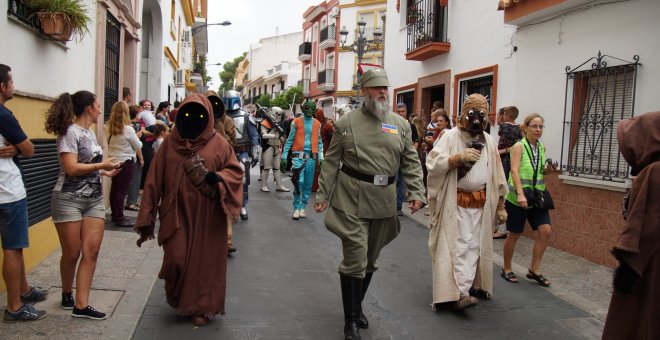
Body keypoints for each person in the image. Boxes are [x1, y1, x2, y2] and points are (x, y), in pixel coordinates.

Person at [314, 68, 425, 340]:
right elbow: (331, 161)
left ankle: (356, 305)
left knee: (371, 260)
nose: (382, 93)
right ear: (365, 91)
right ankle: (350, 321)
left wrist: (416, 191)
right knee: (355, 257)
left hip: (384, 201)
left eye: (385, 88)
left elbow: (410, 161)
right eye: (376, 89)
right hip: (351, 198)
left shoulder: (399, 125)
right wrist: (322, 194)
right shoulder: (346, 124)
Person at [134, 94, 243, 326]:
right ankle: (178, 295)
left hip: (208, 216)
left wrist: (219, 177)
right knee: (176, 259)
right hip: (176, 213)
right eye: (187, 113)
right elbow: (153, 180)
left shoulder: (219, 143)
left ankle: (201, 307)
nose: (192, 118)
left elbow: (235, 172)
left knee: (205, 263)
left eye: (199, 114)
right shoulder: (170, 145)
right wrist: (147, 215)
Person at [426, 94, 508, 311]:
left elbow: (498, 175)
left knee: (473, 247)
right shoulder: (450, 137)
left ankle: (464, 288)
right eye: (472, 115)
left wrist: (500, 205)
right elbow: (432, 162)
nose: (476, 120)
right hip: (456, 204)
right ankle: (457, 293)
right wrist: (456, 159)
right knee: (457, 246)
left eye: (481, 115)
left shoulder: (489, 142)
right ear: (463, 115)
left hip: (481, 206)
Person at [44, 90, 121, 320]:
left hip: (94, 200)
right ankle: (67, 292)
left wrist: (106, 170)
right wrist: (101, 166)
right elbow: (71, 168)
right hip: (68, 199)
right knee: (72, 253)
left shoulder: (89, 133)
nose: (100, 109)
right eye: (98, 105)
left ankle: (81, 304)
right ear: (89, 107)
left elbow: (89, 167)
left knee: (91, 251)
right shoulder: (69, 132)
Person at [602, 111, 660, 340]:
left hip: (649, 266)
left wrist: (627, 270)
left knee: (637, 321)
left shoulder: (654, 172)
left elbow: (643, 228)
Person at [0, 64, 48, 322]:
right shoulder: (4, 115)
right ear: (2, 86)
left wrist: (15, 149)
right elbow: (30, 149)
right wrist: (19, 150)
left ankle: (24, 290)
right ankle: (14, 307)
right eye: (11, 82)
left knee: (13, 247)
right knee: (13, 248)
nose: (13, 86)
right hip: (8, 191)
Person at [501, 113, 553, 287]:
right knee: (514, 234)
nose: (538, 130)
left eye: (541, 127)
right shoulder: (519, 147)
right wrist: (520, 193)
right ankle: (506, 268)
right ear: (526, 127)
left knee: (545, 230)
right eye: (534, 126)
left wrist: (547, 171)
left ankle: (534, 269)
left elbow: (538, 171)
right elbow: (514, 171)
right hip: (518, 198)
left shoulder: (541, 148)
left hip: (537, 197)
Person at [206, 90, 238, 254]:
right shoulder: (200, 119)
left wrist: (218, 125)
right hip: (204, 169)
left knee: (225, 203)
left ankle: (227, 239)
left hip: (222, 170)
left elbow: (231, 145)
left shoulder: (227, 121)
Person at [282, 99, 323, 220]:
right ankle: (296, 208)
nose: (310, 110)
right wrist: (284, 156)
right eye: (307, 107)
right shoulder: (296, 122)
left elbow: (320, 143)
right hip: (297, 156)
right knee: (298, 182)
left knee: (308, 184)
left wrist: (321, 157)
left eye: (312, 107)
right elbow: (289, 140)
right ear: (303, 108)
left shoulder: (317, 123)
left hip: (312, 157)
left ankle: (302, 207)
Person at [106, 101, 144, 228]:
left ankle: (115, 214)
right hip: (126, 161)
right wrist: (138, 135)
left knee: (115, 189)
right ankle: (119, 218)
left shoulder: (108, 126)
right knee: (121, 191)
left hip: (113, 160)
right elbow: (138, 145)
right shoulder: (128, 129)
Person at [224, 90, 259, 220]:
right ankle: (227, 204)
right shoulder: (220, 116)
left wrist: (255, 154)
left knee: (243, 181)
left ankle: (242, 206)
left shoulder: (245, 116)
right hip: (226, 152)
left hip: (242, 152)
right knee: (225, 179)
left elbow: (254, 136)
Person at [493, 106, 522, 239]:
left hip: (503, 160)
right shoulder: (519, 129)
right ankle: (501, 225)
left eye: (503, 114)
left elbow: (501, 136)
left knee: (501, 189)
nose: (502, 117)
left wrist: (501, 151)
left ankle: (501, 227)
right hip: (513, 161)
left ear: (508, 115)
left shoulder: (504, 127)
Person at [395, 102, 419, 216]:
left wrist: (410, 155)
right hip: (393, 158)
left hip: (405, 159)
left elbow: (416, 142)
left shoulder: (411, 126)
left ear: (406, 112)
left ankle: (398, 206)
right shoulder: (392, 125)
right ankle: (388, 204)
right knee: (393, 181)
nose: (400, 113)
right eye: (398, 111)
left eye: (402, 111)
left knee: (403, 183)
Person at [259, 106, 289, 193]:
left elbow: (281, 136)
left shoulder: (279, 124)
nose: (279, 116)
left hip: (277, 145)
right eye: (278, 114)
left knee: (277, 168)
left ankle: (279, 185)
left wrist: (282, 139)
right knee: (267, 167)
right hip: (268, 146)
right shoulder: (265, 122)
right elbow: (263, 135)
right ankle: (263, 185)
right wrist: (274, 135)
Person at [125, 105, 144, 212]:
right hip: (133, 156)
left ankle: (132, 201)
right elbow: (137, 145)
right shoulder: (133, 127)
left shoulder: (127, 126)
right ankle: (131, 202)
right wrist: (141, 158)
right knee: (135, 179)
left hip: (128, 156)